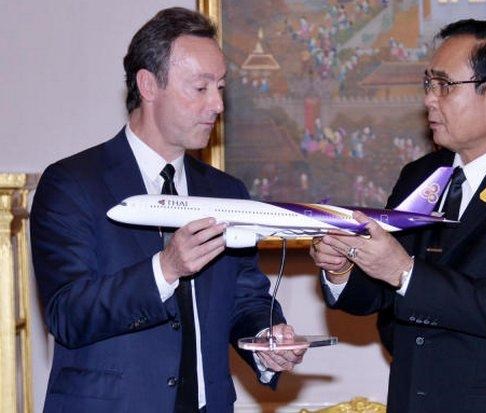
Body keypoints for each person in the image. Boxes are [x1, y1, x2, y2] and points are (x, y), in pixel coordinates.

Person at [310, 19, 486, 413]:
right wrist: (343, 270)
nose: (429, 99)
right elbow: (381, 294)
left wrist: (403, 272)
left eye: (444, 86)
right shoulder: (420, 176)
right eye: (428, 84)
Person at [31, 7, 304, 413]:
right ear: (148, 85)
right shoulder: (72, 184)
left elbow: (246, 301)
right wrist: (165, 269)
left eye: (221, 88)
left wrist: (266, 342)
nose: (217, 105)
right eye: (200, 88)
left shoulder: (225, 191)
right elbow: (68, 314)